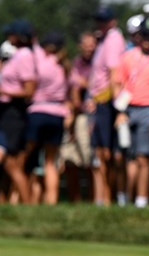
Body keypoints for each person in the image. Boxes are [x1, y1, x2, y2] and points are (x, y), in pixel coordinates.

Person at [113, 16, 149, 208]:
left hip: (148, 109)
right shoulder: (127, 57)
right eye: (145, 35)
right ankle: (128, 196)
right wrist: (119, 111)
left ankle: (142, 198)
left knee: (144, 157)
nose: (147, 39)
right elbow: (118, 85)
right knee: (128, 156)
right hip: (128, 109)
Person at [0, 19, 37, 204]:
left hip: (14, 113)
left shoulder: (25, 55)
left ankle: (27, 204)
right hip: (7, 112)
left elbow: (29, 90)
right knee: (7, 163)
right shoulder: (19, 55)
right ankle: (3, 202)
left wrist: (1, 91)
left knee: (12, 163)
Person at [24, 31, 69, 204]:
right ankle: (51, 200)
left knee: (28, 158)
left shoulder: (41, 60)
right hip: (57, 114)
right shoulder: (64, 65)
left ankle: (24, 198)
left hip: (38, 111)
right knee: (50, 163)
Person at [87, 5, 125, 206]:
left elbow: (113, 73)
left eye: (104, 20)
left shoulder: (112, 40)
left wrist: (115, 106)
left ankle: (108, 197)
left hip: (107, 102)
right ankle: (102, 198)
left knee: (107, 153)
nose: (100, 24)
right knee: (100, 152)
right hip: (99, 101)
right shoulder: (104, 40)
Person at [59, 31, 96, 203]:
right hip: (72, 115)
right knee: (70, 161)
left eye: (92, 45)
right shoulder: (75, 64)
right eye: (86, 45)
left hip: (88, 116)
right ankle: (75, 200)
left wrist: (84, 84)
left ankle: (93, 198)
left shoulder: (98, 63)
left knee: (88, 161)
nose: (89, 48)